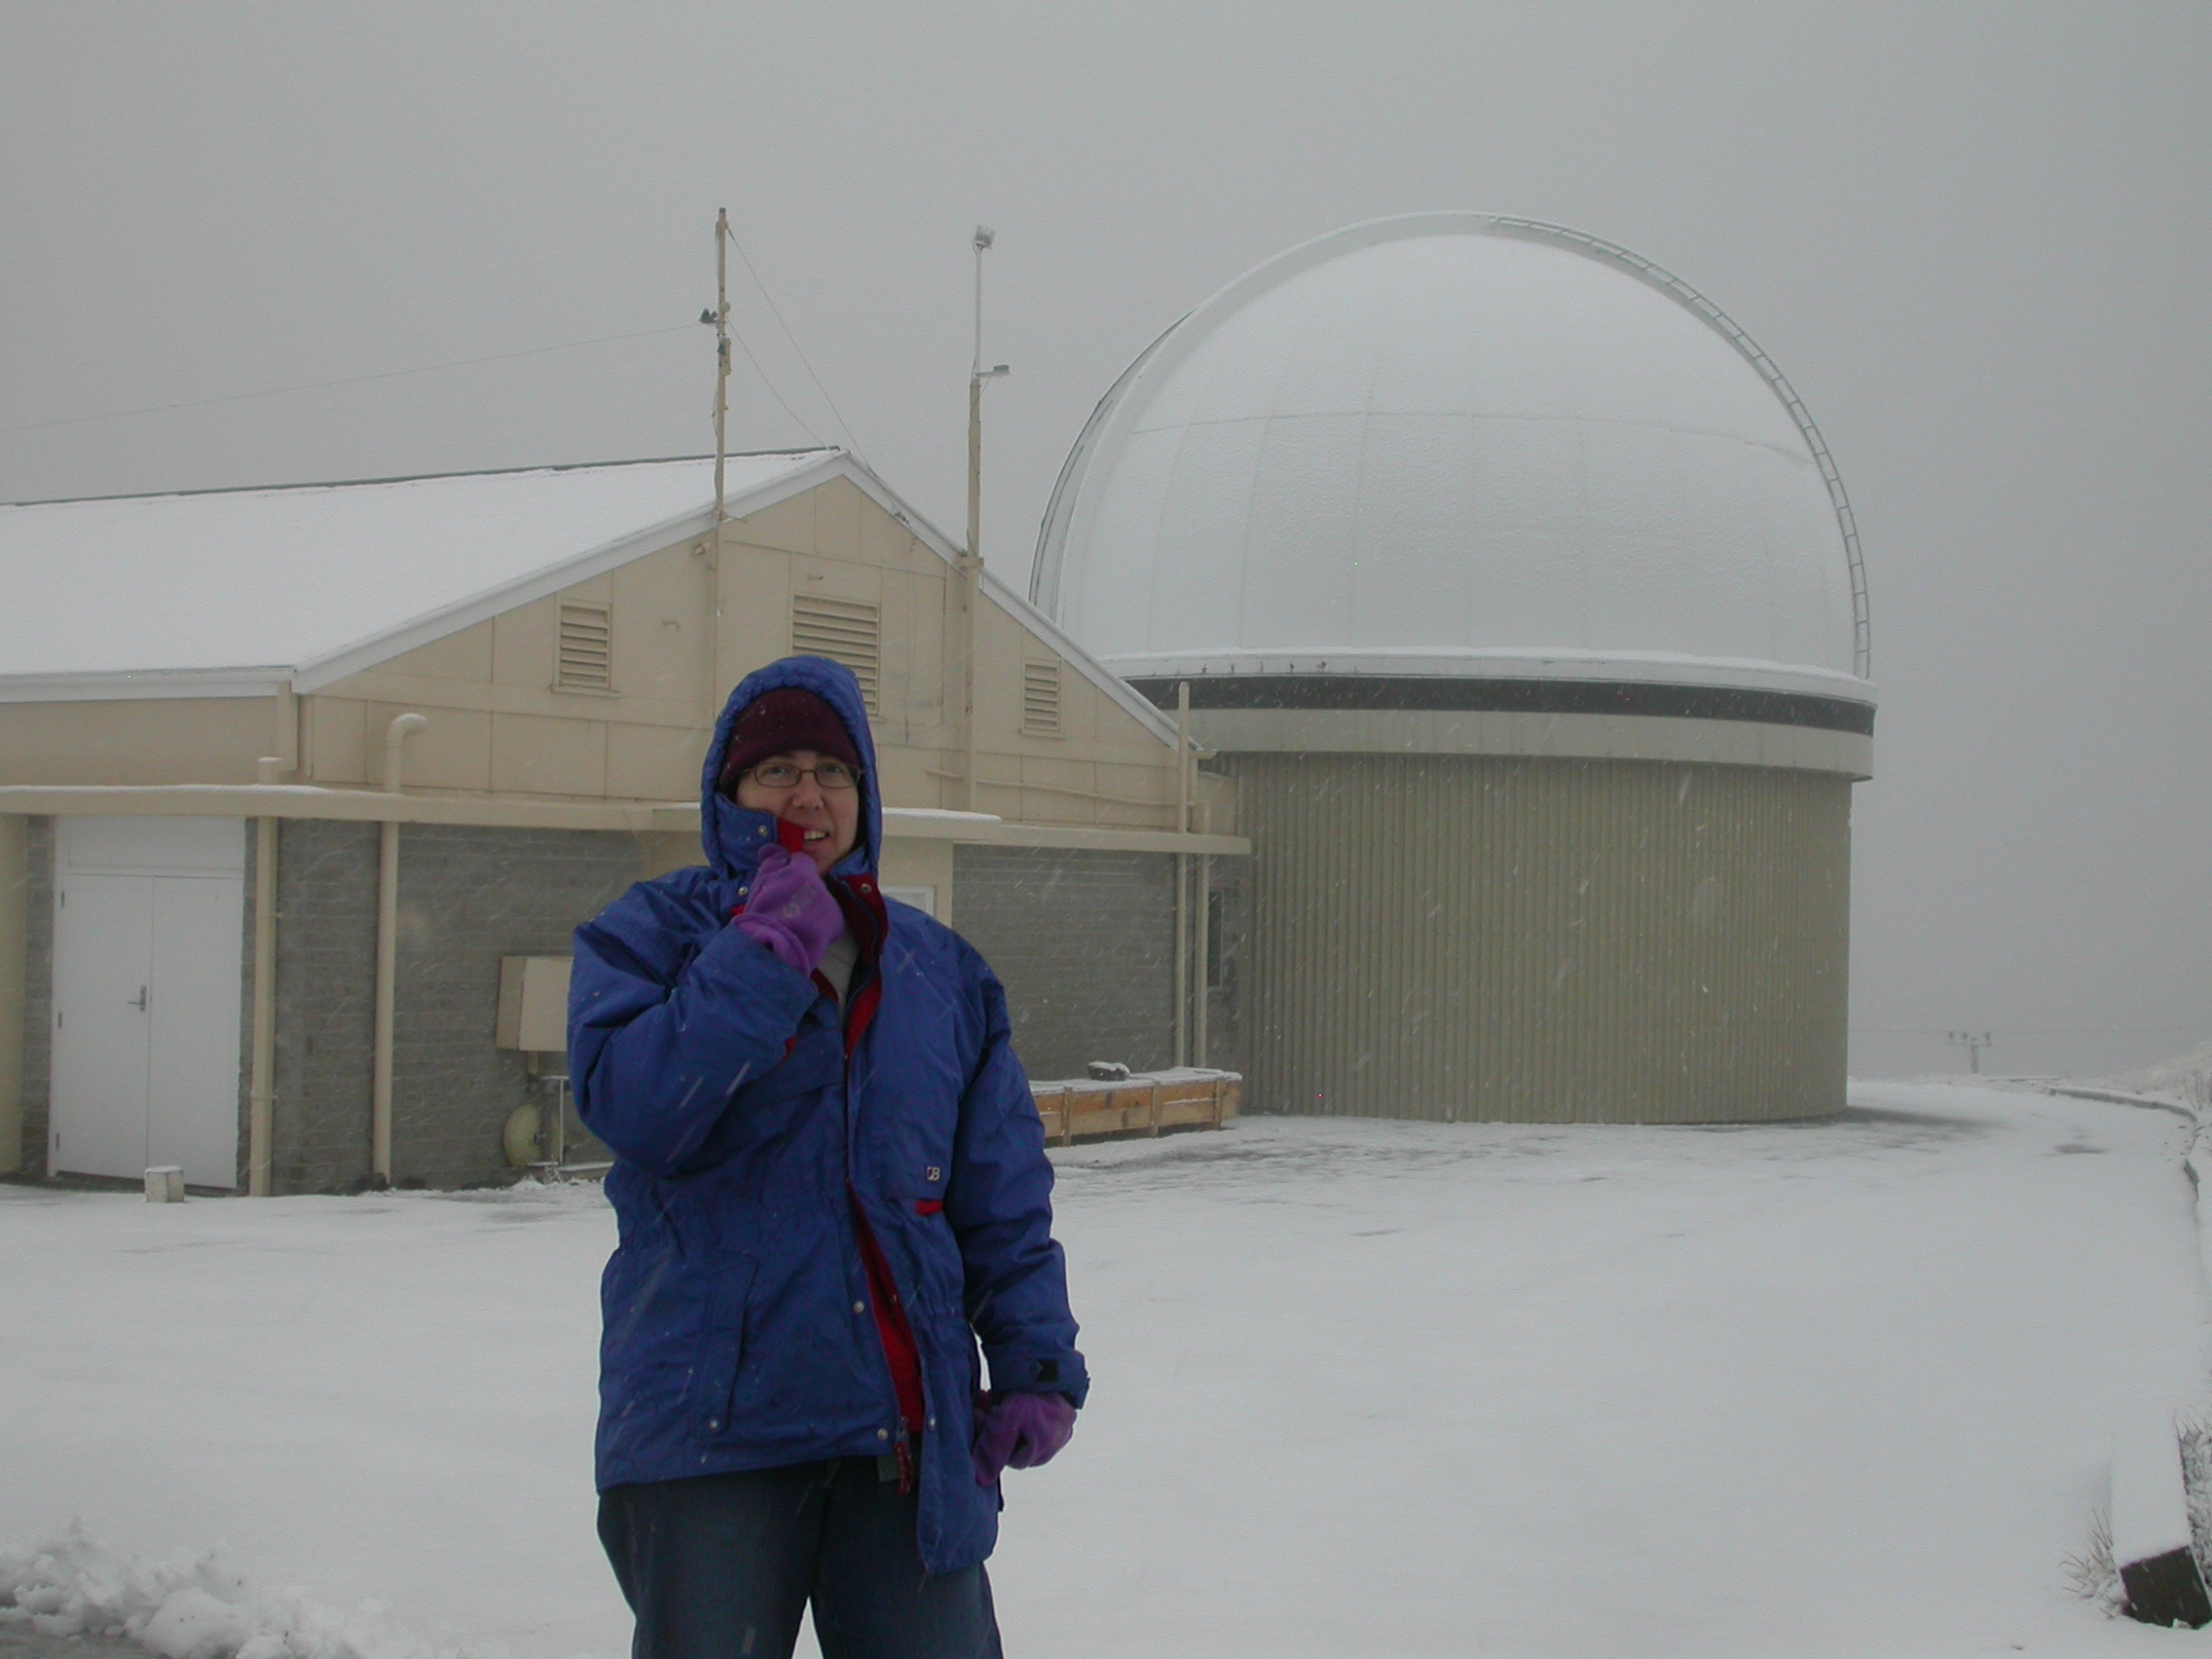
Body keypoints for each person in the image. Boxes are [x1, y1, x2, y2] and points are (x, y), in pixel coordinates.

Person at [569, 655, 1087, 1659]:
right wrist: (759, 955)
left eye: (833, 772)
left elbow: (1001, 1200)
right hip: (709, 1434)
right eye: (777, 771)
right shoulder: (652, 936)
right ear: (729, 796)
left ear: (864, 796)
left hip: (899, 1434)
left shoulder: (940, 975)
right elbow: (638, 1110)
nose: (808, 795)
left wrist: (1035, 1364)